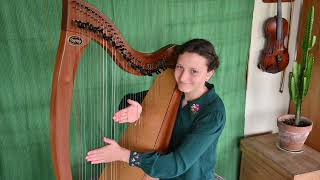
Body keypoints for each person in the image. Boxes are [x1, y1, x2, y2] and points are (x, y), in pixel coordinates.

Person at [86, 39, 226, 180]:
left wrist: (122, 154)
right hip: (158, 171)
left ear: (209, 73)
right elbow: (127, 101)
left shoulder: (213, 113)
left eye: (194, 71)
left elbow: (176, 165)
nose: (183, 77)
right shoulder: (172, 90)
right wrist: (135, 110)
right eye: (179, 67)